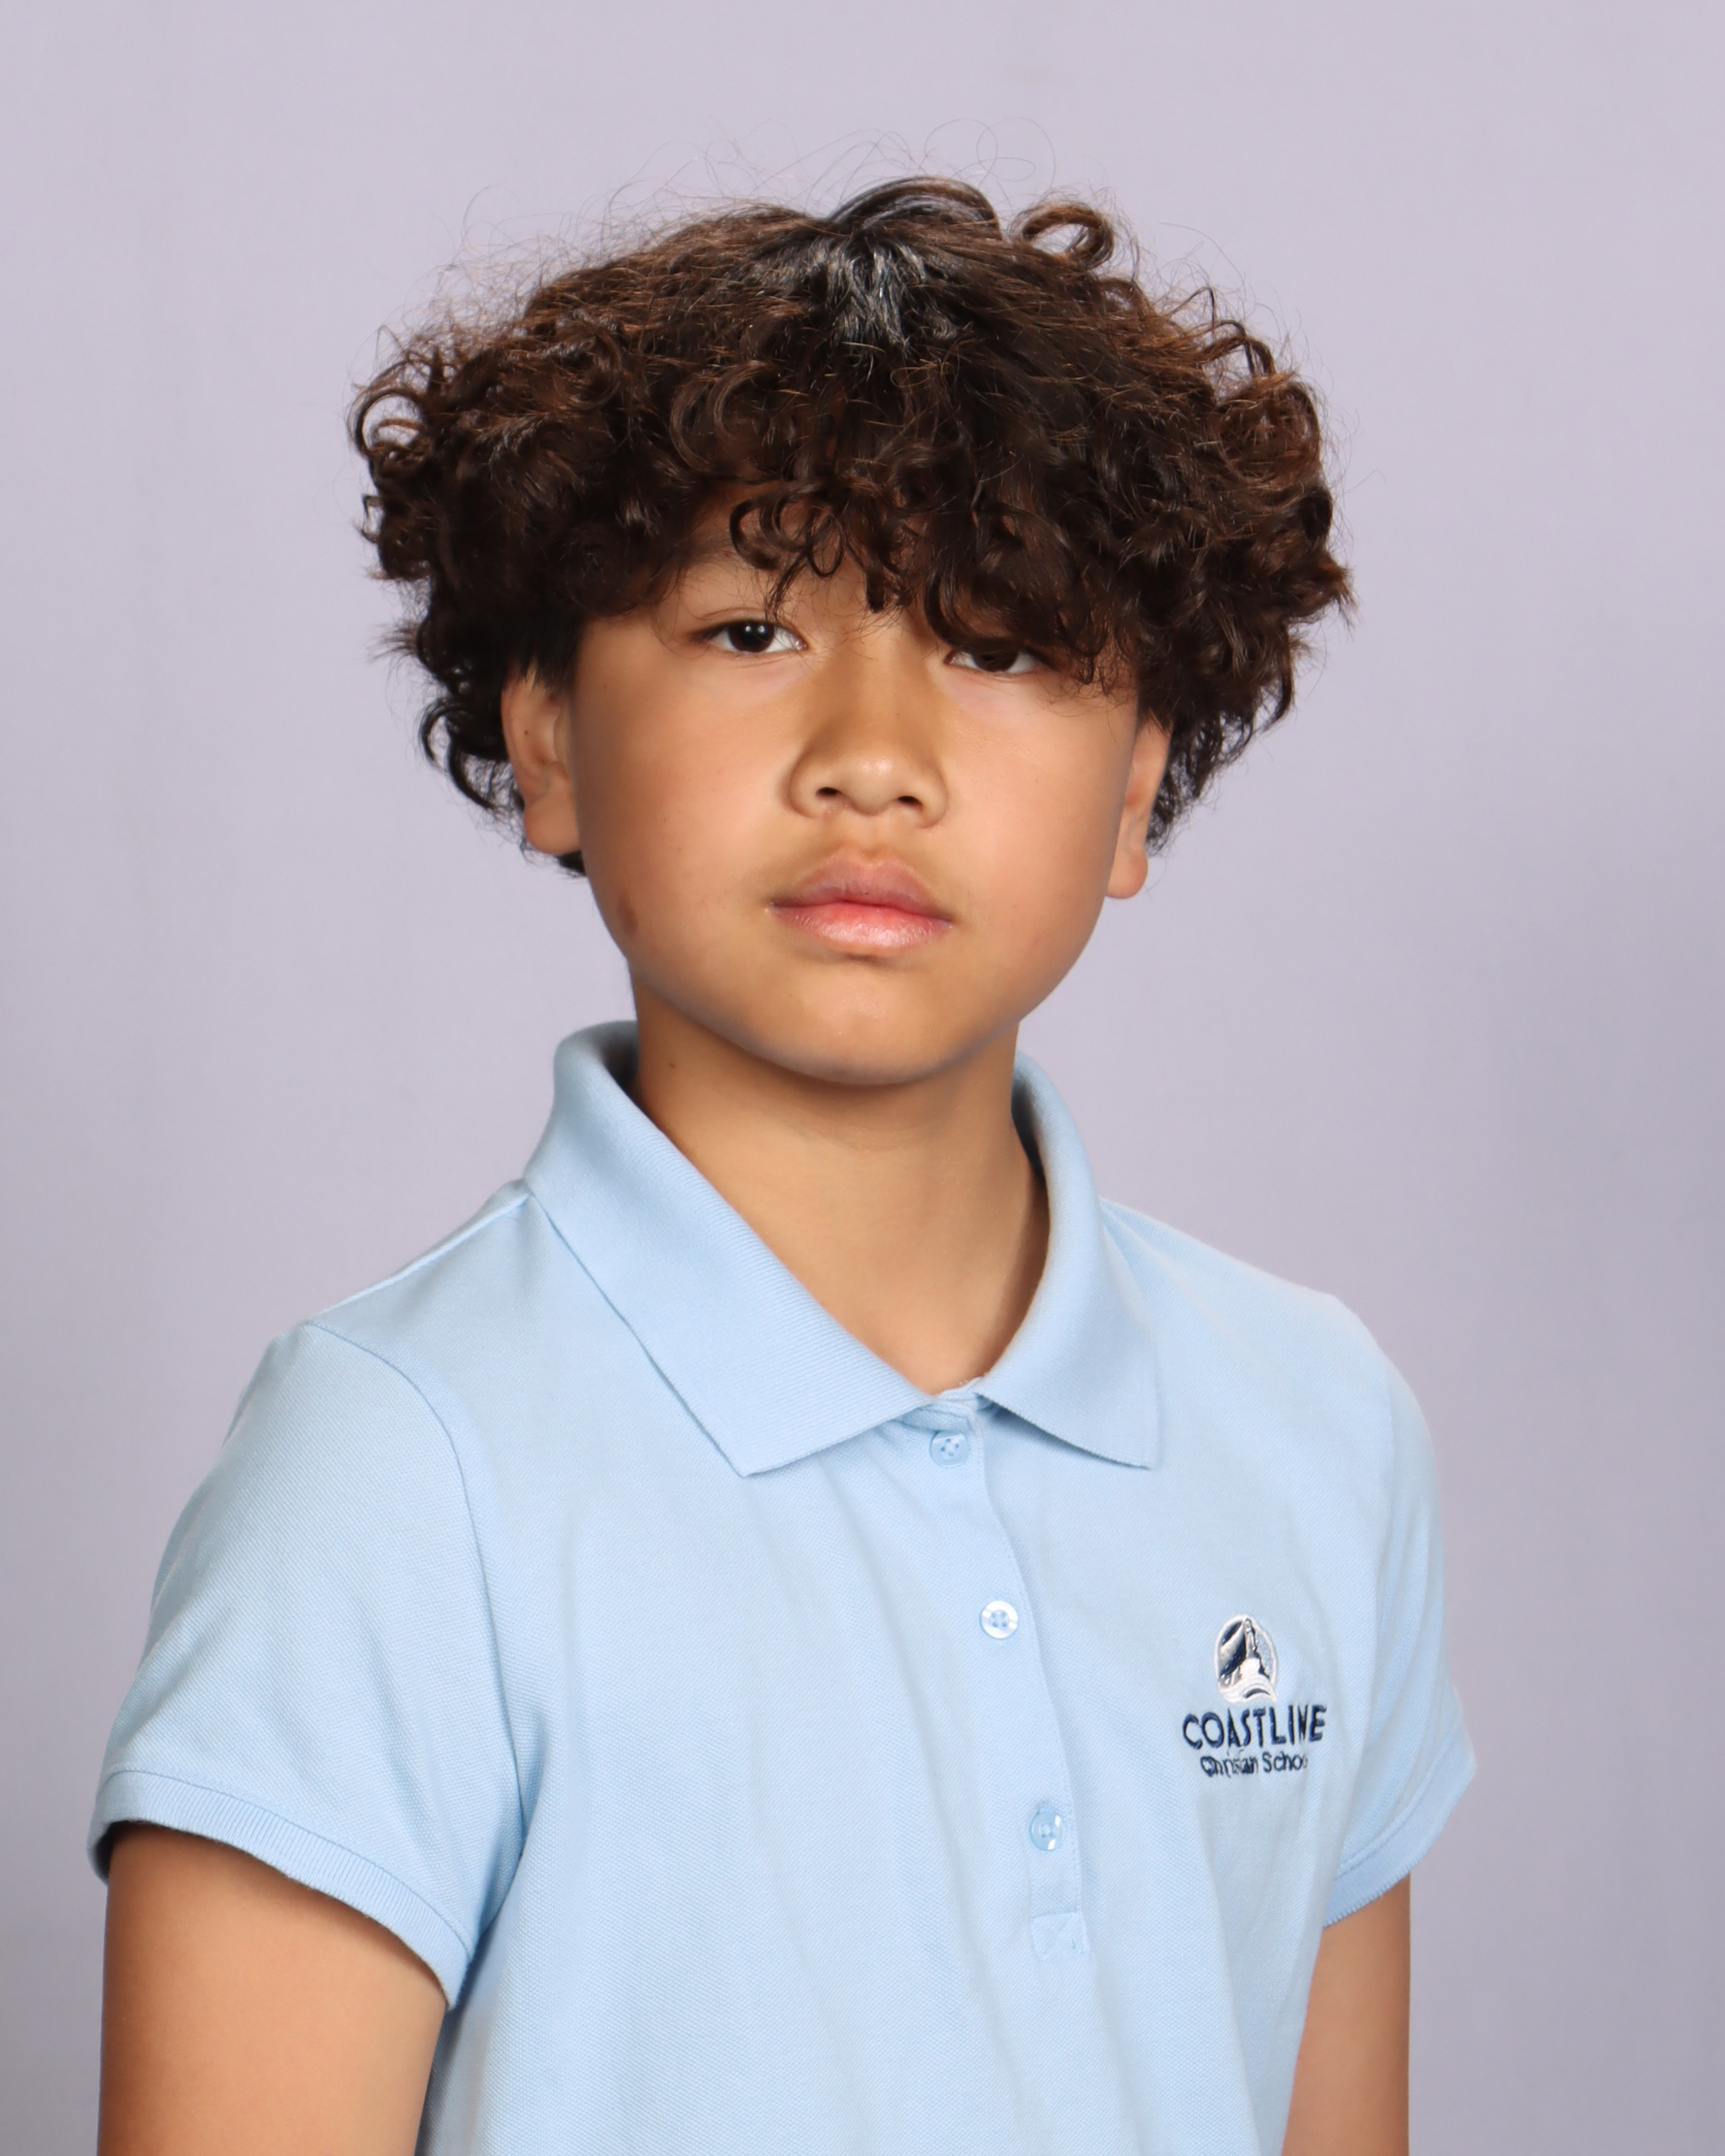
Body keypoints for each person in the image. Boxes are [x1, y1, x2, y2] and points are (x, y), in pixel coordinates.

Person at [91, 179, 1472, 2156]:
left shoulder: (1316, 1421)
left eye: (998, 643)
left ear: (1137, 781)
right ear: (547, 738)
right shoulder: (394, 1466)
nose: (871, 753)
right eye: (752, 627)